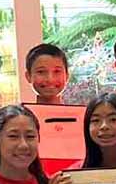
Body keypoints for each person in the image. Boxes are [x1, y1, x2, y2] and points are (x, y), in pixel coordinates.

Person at [24, 43, 79, 175]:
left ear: (67, 75)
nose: (50, 79)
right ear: (28, 76)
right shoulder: (19, 119)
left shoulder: (81, 118)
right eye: (41, 72)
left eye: (57, 71)